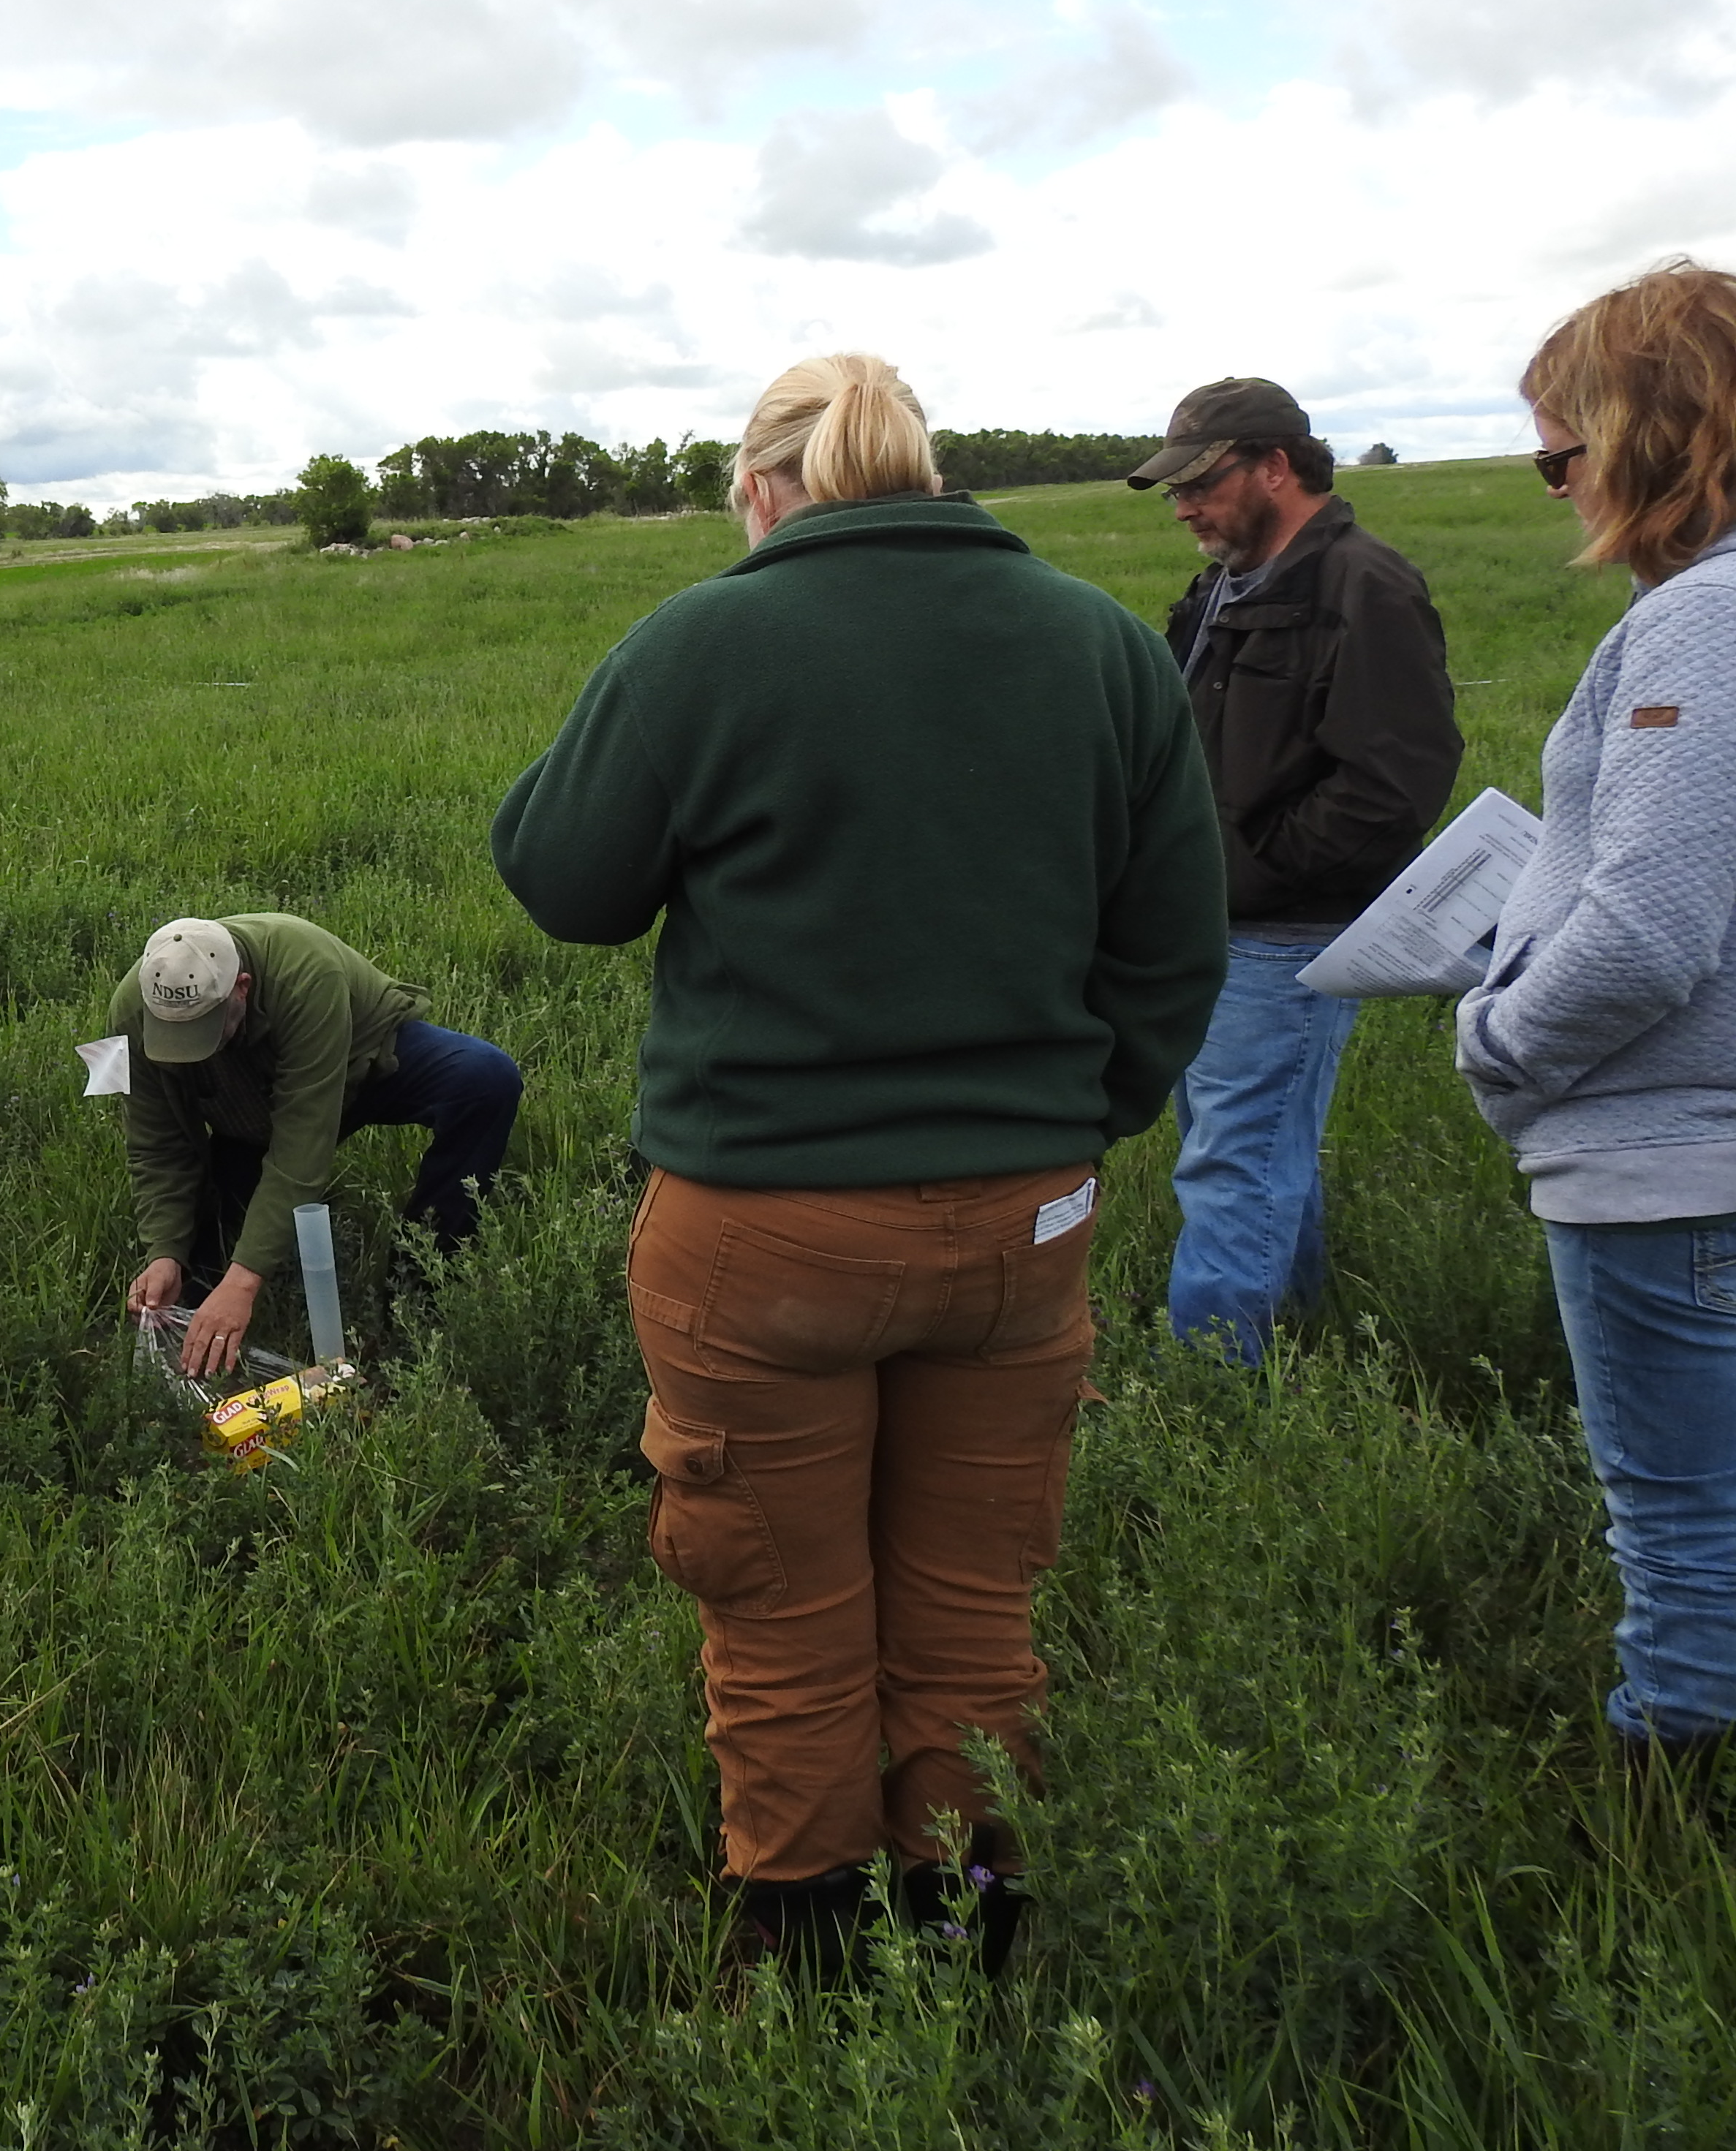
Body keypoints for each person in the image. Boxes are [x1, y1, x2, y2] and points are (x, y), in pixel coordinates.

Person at [494, 353, 1225, 1980]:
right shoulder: (1105, 644)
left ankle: (806, 1942)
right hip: (1027, 1224)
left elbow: (566, 878)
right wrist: (1074, 1119)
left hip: (767, 1228)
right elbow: (1180, 944)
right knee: (975, 1587)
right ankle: (967, 1924)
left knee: (781, 1597)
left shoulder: (707, 638)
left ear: (761, 492)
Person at [1457, 260, 1736, 1770]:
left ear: (1652, 435)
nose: (1558, 488)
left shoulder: (1701, 626)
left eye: (1564, 450)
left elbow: (1645, 936)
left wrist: (1500, 1039)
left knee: (1684, 1526)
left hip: (1672, 1164)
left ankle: (1668, 1839)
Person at [1128, 379, 1463, 1362]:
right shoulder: (1221, 587)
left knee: (1234, 1163)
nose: (1184, 508)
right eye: (1172, 492)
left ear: (1276, 466)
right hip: (1208, 927)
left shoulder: (1366, 585)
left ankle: (1214, 1396)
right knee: (1253, 1149)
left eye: (1201, 485)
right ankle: (1293, 1349)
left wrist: (1255, 870)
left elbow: (1394, 781)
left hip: (1284, 936)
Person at [110, 913, 522, 1379]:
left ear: (241, 987)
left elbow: (300, 1147)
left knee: (485, 1080)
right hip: (245, 1111)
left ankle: (420, 1291)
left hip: (356, 1064)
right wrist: (165, 1251)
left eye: (204, 1032)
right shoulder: (132, 1011)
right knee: (199, 1276)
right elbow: (155, 1143)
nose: (190, 1051)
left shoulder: (306, 973)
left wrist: (244, 1282)